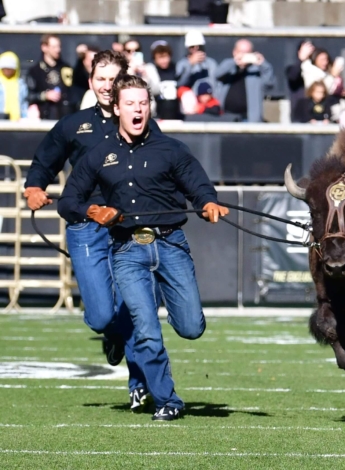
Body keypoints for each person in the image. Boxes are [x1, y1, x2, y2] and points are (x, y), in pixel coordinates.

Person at [58, 74, 230, 421]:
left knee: (191, 327)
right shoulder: (98, 154)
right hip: (126, 250)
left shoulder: (171, 149)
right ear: (117, 108)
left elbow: (198, 185)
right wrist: (93, 210)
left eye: (143, 103)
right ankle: (167, 399)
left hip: (170, 243)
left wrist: (208, 202)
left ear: (149, 107)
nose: (137, 110)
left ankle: (138, 347)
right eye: (130, 104)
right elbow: (68, 201)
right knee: (146, 330)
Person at [24, 51, 160, 413]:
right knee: (101, 316)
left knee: (134, 306)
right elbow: (44, 161)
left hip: (128, 228)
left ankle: (139, 384)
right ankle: (111, 334)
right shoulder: (74, 125)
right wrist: (35, 187)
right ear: (91, 82)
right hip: (86, 227)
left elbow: (166, 162)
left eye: (113, 79)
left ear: (123, 84)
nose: (105, 85)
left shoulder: (141, 123)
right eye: (100, 78)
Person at [214, 38, 275, 123]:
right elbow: (217, 74)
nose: (244, 55)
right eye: (241, 52)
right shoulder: (229, 66)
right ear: (235, 52)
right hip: (226, 118)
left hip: (249, 119)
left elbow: (269, 83)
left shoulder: (256, 71)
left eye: (247, 53)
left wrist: (263, 64)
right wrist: (235, 62)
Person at [27, 34, 74, 120]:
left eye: (59, 46)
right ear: (44, 47)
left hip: (64, 118)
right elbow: (29, 95)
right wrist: (45, 95)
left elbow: (73, 91)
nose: (58, 50)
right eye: (54, 47)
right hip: (45, 117)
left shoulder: (66, 68)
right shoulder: (35, 71)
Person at [143, 41, 182, 120]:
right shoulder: (150, 70)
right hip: (157, 114)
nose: (164, 60)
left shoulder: (176, 68)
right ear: (154, 58)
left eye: (166, 56)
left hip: (176, 113)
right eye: (160, 57)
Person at [286, 40, 316, 121]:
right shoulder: (293, 69)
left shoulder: (318, 70)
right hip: (300, 116)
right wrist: (301, 60)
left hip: (318, 116)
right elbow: (293, 76)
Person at [0, 51, 29, 121]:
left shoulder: (21, 84)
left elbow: (24, 102)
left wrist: (24, 116)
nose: (7, 70)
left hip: (17, 121)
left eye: (10, 68)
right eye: (5, 68)